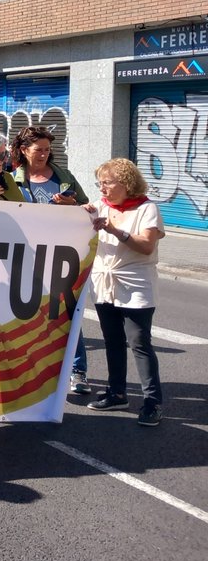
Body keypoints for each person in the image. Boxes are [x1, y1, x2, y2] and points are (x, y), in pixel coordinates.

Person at [10, 125, 91, 392]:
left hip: (63, 256)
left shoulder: (64, 176)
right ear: (24, 150)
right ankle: (31, 367)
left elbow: (88, 210)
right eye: (38, 150)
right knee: (27, 315)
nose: (44, 155)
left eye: (47, 150)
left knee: (67, 312)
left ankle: (77, 371)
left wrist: (75, 207)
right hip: (27, 258)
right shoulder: (12, 180)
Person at [84, 158, 165, 426]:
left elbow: (146, 246)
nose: (102, 188)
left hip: (135, 284)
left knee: (139, 342)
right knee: (113, 342)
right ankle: (117, 393)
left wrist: (115, 230)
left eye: (107, 182)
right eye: (100, 183)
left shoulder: (147, 209)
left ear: (126, 183)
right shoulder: (99, 206)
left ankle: (152, 402)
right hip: (104, 284)